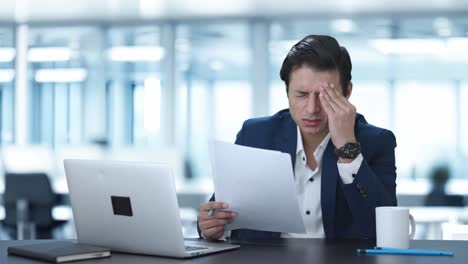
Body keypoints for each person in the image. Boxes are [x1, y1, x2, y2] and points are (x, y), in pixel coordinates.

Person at [197, 35, 397, 240]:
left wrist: (348, 150)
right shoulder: (256, 135)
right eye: (301, 95)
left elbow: (384, 230)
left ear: (347, 92)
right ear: (287, 91)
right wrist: (210, 224)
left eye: (325, 96)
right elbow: (219, 213)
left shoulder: (377, 141)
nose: (312, 109)